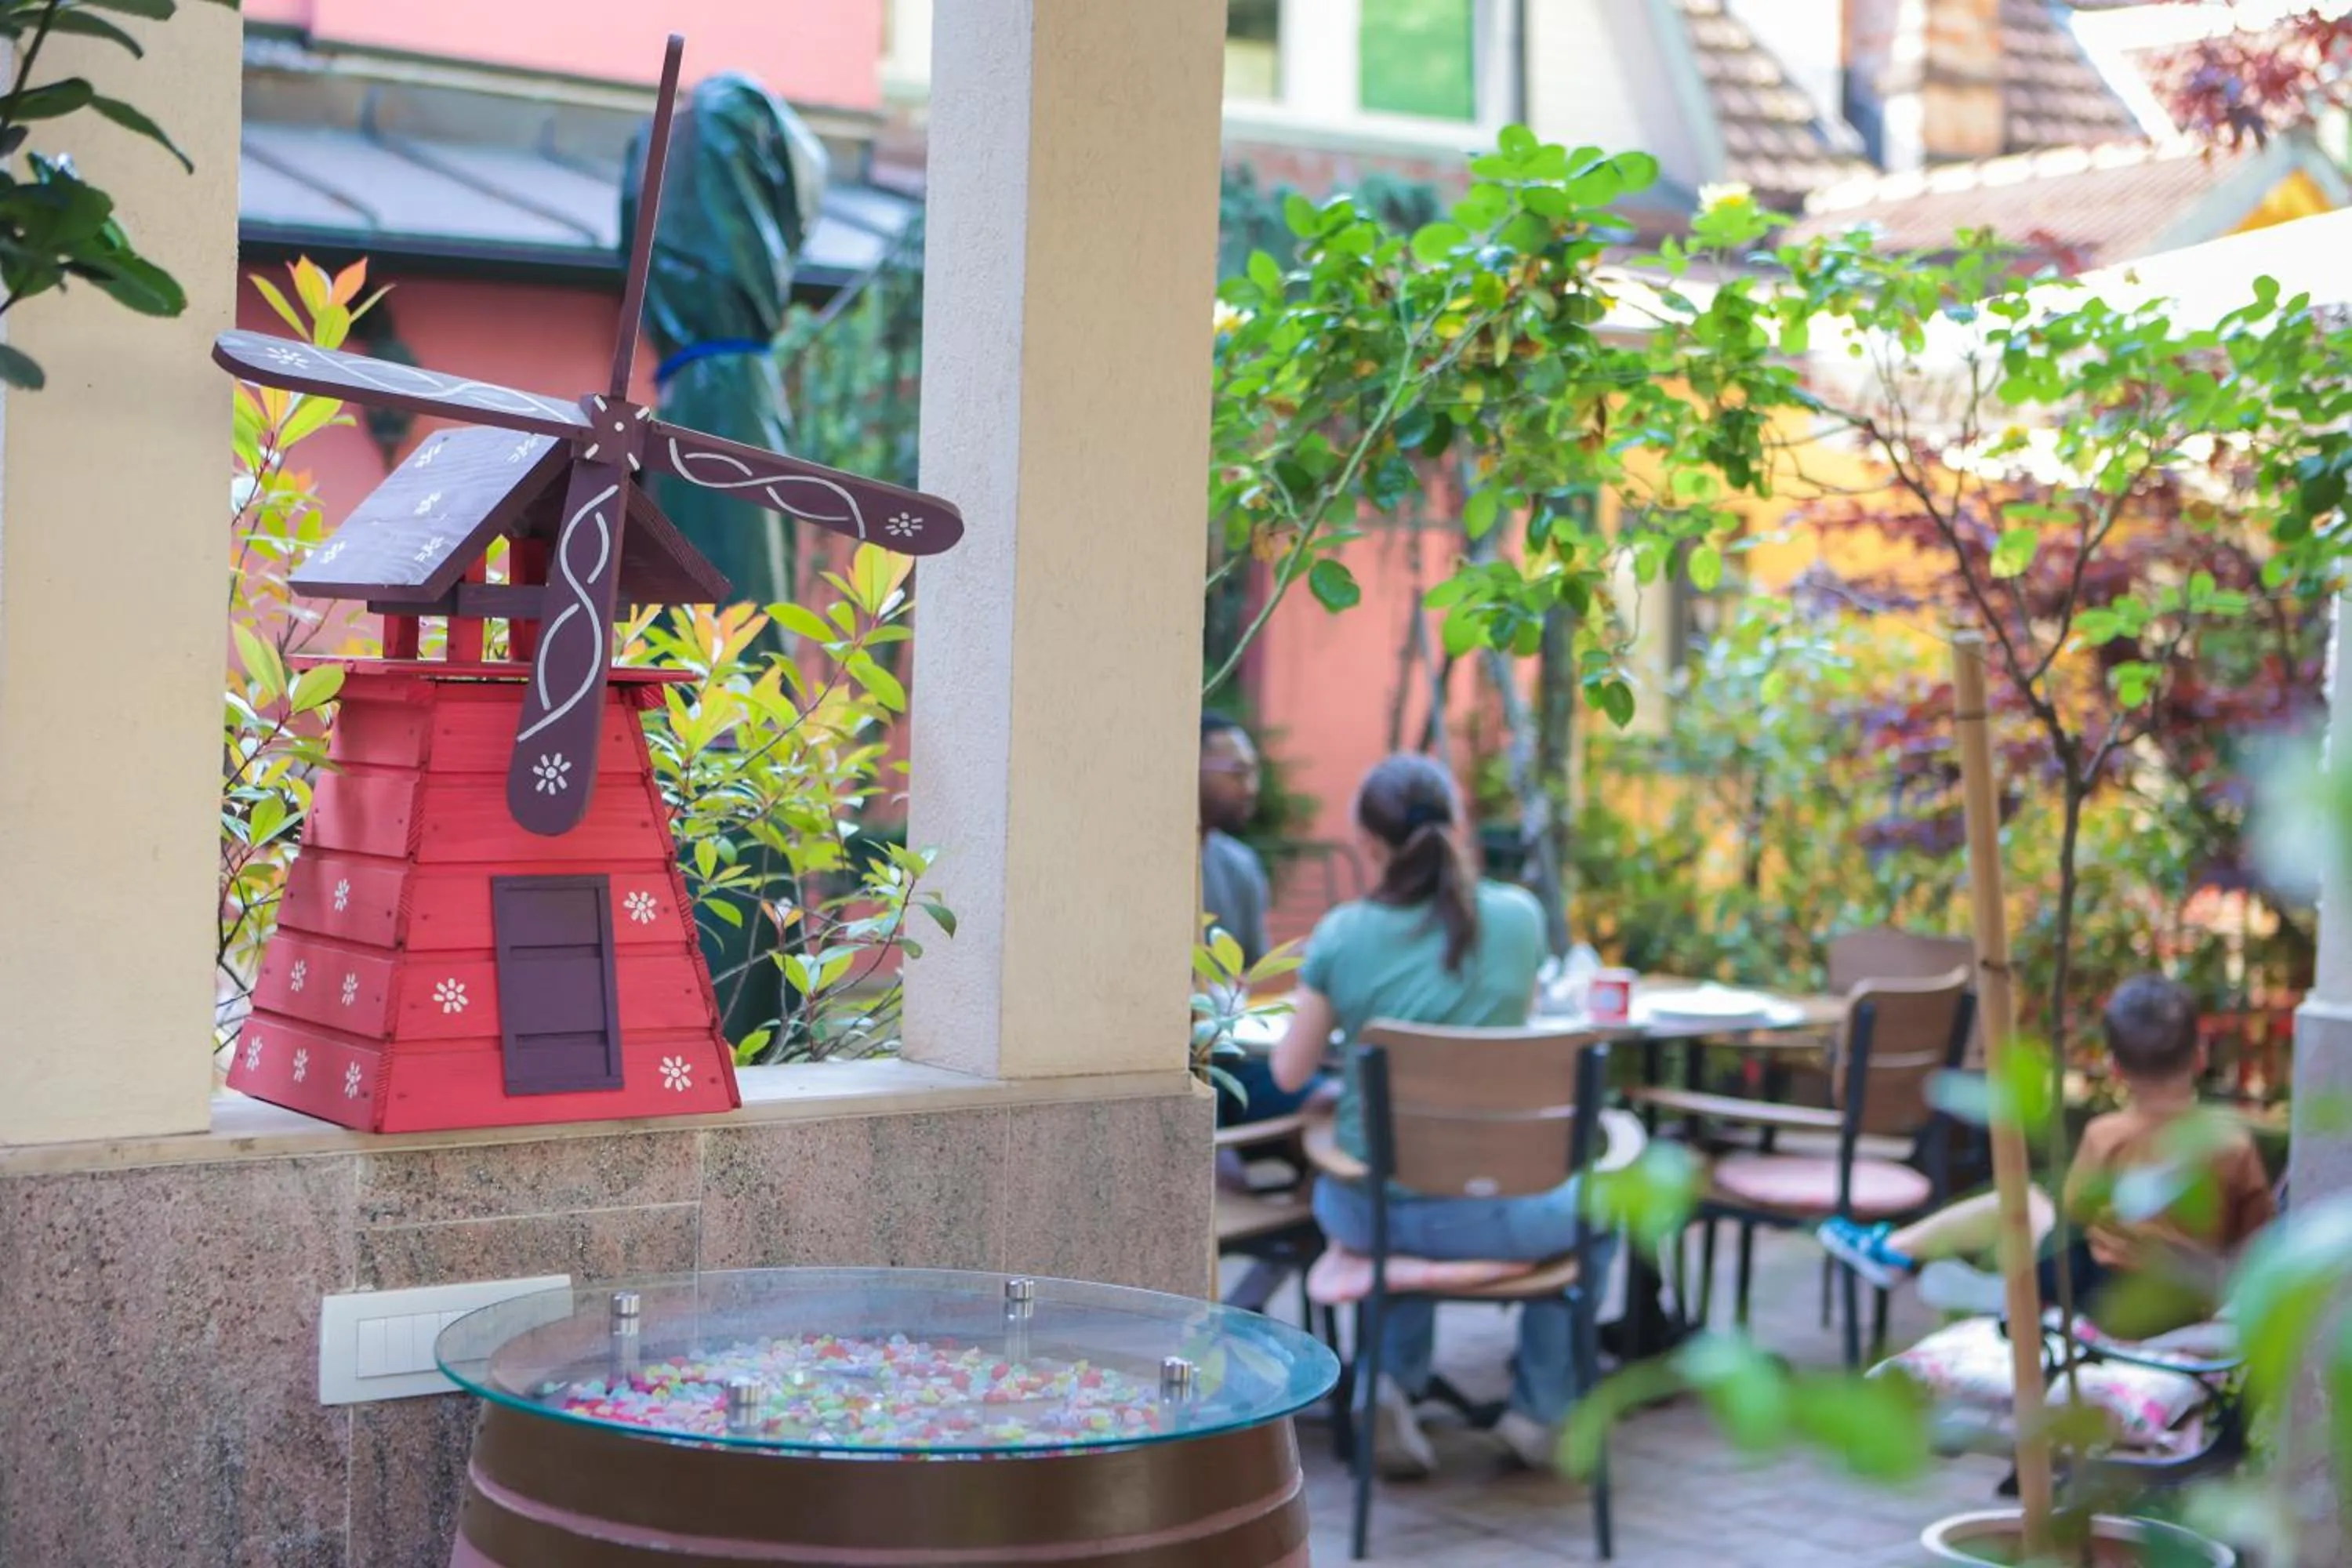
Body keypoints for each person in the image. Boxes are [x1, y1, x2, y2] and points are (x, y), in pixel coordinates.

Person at [1269, 752, 1571, 1475]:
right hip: (1498, 1213)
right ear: (1458, 828)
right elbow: (1508, 1039)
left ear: (1369, 845)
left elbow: (1289, 1071)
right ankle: (1541, 1411)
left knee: (1397, 1195)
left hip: (1373, 1212)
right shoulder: (1520, 919)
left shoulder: (1343, 933)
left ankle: (1390, 1383)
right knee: (1602, 1212)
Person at [1818, 974, 2274, 1333]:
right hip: (2186, 1304)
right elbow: (2259, 1240)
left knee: (2020, 1202)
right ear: (2199, 1055)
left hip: (2103, 1297)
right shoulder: (2231, 1142)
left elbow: (2072, 1216)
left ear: (2115, 1068)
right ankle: (1933, 1265)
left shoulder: (2106, 1134)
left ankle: (1900, 1253)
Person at [1202, 712, 1310, 1127]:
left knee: (1328, 1098)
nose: (1252, 787)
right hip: (1182, 1068)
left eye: (1254, 773)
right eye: (1238, 772)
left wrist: (1307, 961)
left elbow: (1249, 981)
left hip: (1237, 1061)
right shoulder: (1152, 864)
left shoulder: (1240, 865)